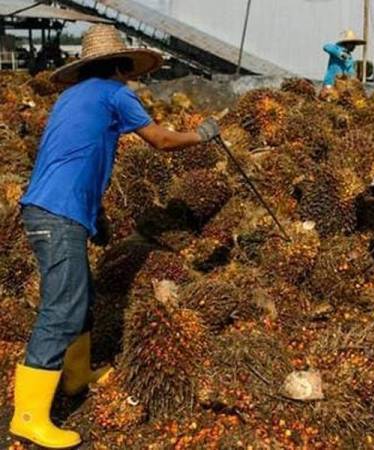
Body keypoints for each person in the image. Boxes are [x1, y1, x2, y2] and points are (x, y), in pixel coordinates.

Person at [11, 25, 220, 448]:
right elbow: (159, 141)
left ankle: (76, 377)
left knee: (80, 297)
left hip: (52, 209)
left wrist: (97, 213)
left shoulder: (72, 97)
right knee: (62, 309)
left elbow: (75, 154)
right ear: (122, 66)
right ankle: (28, 415)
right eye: (131, 72)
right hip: (57, 214)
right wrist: (201, 135)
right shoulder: (115, 94)